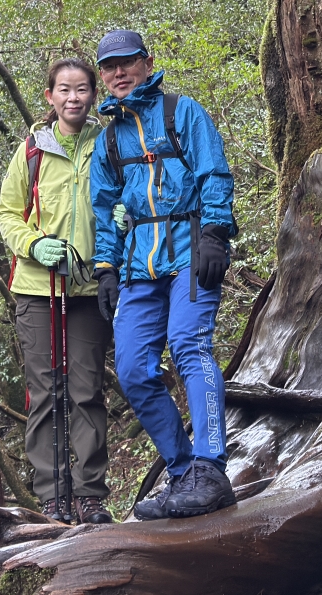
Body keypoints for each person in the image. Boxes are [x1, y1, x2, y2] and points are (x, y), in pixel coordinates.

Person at [88, 28, 238, 521]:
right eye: (109, 67)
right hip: (137, 265)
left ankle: (212, 468)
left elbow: (214, 172)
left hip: (190, 252)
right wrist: (106, 268)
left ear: (147, 63)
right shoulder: (108, 139)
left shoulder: (181, 112)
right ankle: (182, 474)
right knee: (132, 370)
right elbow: (104, 210)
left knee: (190, 345)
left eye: (127, 63)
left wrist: (216, 233)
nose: (118, 73)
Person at [0, 57, 112, 525]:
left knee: (85, 390)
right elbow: (7, 214)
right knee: (44, 392)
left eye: (82, 89)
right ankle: (52, 498)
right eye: (64, 90)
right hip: (36, 289)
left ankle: (89, 496)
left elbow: (121, 200)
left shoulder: (106, 145)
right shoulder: (33, 150)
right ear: (49, 97)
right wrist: (35, 244)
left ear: (93, 95)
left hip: (87, 289)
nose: (73, 98)